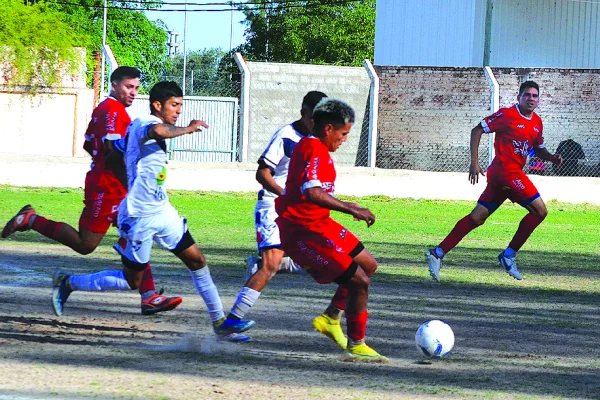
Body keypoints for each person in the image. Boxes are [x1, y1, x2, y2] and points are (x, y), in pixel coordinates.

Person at [50, 81, 255, 342]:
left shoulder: (135, 129)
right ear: (158, 105)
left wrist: (125, 168)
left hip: (162, 211)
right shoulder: (145, 123)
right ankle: (68, 283)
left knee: (198, 261)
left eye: (181, 105)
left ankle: (220, 322)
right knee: (132, 281)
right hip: (138, 216)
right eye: (174, 105)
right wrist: (188, 129)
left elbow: (115, 152)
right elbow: (157, 130)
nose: (179, 110)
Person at [1, 67, 181, 315]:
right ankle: (32, 219)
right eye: (129, 86)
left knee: (134, 233)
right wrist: (120, 169)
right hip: (107, 187)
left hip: (111, 183)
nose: (133, 92)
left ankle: (148, 296)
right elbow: (111, 149)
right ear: (115, 85)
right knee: (87, 244)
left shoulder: (104, 109)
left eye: (136, 88)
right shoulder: (114, 111)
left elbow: (89, 144)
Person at [231, 98, 387, 362]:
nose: (345, 139)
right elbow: (312, 192)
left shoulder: (315, 148)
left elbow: (313, 191)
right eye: (343, 133)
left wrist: (345, 204)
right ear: (328, 129)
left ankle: (330, 318)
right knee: (359, 280)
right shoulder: (313, 148)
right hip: (304, 231)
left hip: (320, 223)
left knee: (368, 265)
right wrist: (352, 209)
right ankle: (357, 344)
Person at [425, 81, 563, 282]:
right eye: (527, 95)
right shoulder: (507, 115)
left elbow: (539, 148)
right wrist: (474, 162)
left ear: (539, 100)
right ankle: (509, 255)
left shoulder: (536, 122)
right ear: (519, 97)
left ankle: (437, 253)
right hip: (506, 173)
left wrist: (551, 157)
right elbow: (477, 130)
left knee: (477, 218)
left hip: (507, 177)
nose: (531, 99)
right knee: (540, 211)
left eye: (535, 96)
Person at [244, 91, 328, 281]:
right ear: (303, 112)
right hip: (273, 205)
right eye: (314, 118)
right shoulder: (286, 136)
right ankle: (235, 308)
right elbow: (262, 173)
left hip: (299, 210)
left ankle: (260, 265)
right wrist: (285, 195)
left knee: (322, 260)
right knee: (271, 264)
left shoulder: (319, 141)